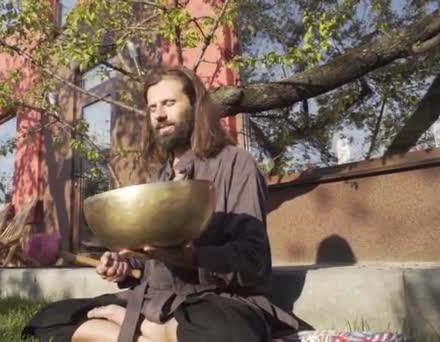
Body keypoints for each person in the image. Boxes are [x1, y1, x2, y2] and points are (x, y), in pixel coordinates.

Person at [22, 65, 302, 342]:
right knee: (50, 318)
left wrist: (192, 258)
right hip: (152, 299)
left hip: (213, 300)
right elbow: (147, 258)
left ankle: (138, 330)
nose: (159, 115)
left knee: (225, 333)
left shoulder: (235, 164)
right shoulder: (160, 177)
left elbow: (254, 262)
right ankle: (149, 333)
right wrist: (123, 264)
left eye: (169, 103)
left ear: (195, 105)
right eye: (153, 107)